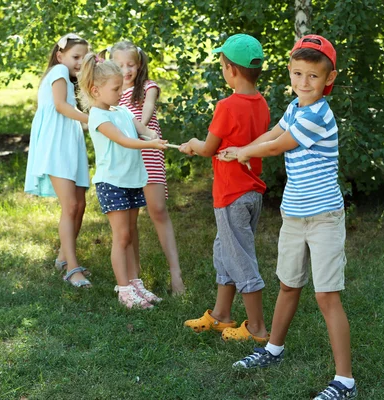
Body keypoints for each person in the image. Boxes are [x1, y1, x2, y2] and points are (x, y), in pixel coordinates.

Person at [227, 35, 357, 400]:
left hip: (324, 218)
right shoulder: (296, 107)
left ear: (328, 79)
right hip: (294, 215)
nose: (303, 82)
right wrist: (245, 147)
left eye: (312, 76)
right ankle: (273, 349)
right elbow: (273, 133)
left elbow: (276, 146)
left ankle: (345, 381)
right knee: (288, 285)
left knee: (327, 296)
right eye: (297, 73)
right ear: (290, 72)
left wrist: (245, 152)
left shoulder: (318, 114)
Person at [179, 34, 270, 343]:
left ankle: (256, 328)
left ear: (231, 70)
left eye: (222, 65)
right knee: (225, 252)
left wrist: (192, 144)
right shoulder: (261, 103)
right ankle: (221, 315)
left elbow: (208, 148)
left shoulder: (227, 106)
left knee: (240, 257)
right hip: (251, 194)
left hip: (232, 195)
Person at [78, 53, 168, 309]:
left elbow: (140, 128)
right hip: (112, 183)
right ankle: (124, 289)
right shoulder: (98, 116)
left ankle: (134, 282)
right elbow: (123, 140)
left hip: (131, 180)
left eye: (120, 87)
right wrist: (148, 143)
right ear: (96, 90)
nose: (121, 92)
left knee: (129, 235)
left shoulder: (122, 110)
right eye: (115, 88)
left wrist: (153, 135)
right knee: (122, 236)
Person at [108, 41, 185, 295]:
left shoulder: (147, 87)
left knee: (158, 210)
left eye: (130, 64)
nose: (126, 70)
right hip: (125, 158)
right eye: (119, 65)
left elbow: (148, 109)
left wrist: (139, 127)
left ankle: (176, 275)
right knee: (129, 220)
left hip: (148, 152)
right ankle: (134, 277)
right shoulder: (112, 93)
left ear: (139, 63)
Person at [24, 33, 92, 288]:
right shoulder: (58, 73)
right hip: (57, 146)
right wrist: (94, 120)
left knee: (79, 204)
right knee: (71, 205)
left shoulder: (64, 75)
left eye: (84, 58)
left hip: (69, 143)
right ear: (60, 55)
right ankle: (73, 269)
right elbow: (62, 107)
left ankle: (64, 258)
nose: (79, 62)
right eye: (76, 57)